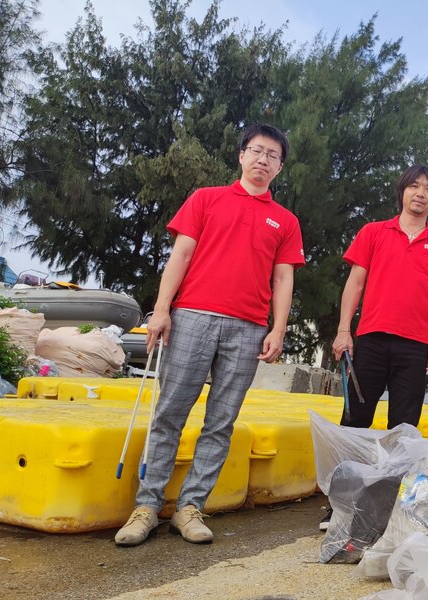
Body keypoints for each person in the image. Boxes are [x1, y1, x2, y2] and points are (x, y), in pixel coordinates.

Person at [114, 124, 305, 547]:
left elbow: (284, 277)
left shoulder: (286, 221)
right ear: (241, 155)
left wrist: (277, 328)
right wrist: (161, 310)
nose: (263, 160)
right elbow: (180, 254)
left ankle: (190, 507)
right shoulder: (206, 199)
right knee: (169, 413)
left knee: (221, 422)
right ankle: (146, 506)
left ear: (279, 167)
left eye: (272, 155)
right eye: (256, 151)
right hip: (192, 317)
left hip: (249, 327)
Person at [325, 165, 428, 528]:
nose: (421, 193)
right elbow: (355, 283)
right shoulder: (374, 232)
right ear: (402, 192)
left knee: (404, 429)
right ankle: (339, 505)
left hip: (416, 346)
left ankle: (388, 508)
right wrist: (344, 330)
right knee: (355, 422)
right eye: (414, 186)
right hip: (369, 340)